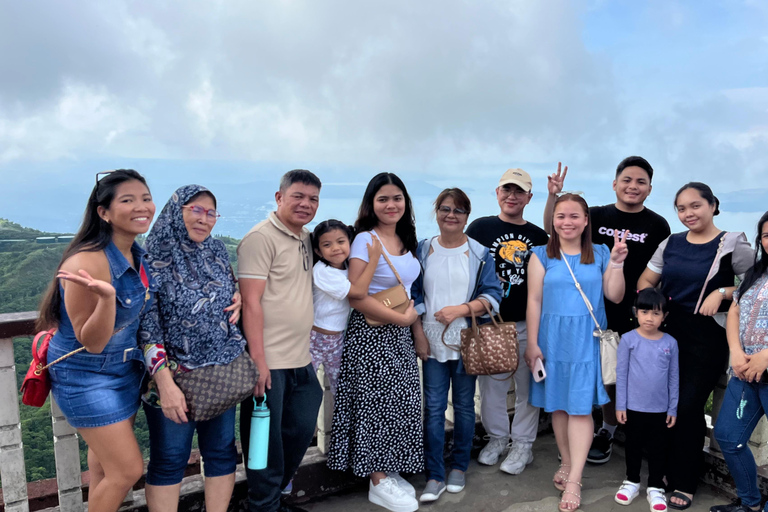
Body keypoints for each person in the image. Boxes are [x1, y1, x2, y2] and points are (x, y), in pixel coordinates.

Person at [37, 169, 156, 512]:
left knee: (106, 466)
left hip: (125, 372)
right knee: (127, 470)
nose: (142, 206)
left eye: (145, 198)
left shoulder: (136, 252)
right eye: (128, 200)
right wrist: (106, 300)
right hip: (86, 375)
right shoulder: (86, 262)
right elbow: (92, 342)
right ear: (103, 212)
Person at [544, 157, 671, 464]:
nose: (633, 186)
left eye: (641, 182)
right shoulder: (597, 215)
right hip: (593, 311)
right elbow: (556, 228)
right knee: (595, 373)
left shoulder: (658, 225)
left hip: (635, 313)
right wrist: (553, 196)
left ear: (650, 189)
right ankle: (595, 432)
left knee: (627, 376)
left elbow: (662, 272)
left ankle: (623, 432)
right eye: (627, 180)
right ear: (615, 184)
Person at [638, 182, 754, 510]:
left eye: (695, 206)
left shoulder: (733, 243)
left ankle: (686, 480)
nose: (688, 213)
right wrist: (653, 306)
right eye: (681, 208)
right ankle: (663, 470)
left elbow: (760, 284)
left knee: (687, 408)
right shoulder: (670, 243)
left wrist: (723, 293)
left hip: (707, 338)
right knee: (663, 406)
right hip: (666, 334)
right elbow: (645, 281)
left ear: (713, 205)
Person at [137, 185, 245, 512]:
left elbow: (224, 286)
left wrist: (236, 293)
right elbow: (147, 325)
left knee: (222, 452)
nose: (205, 219)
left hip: (219, 373)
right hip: (173, 380)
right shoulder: (152, 256)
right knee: (170, 458)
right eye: (196, 210)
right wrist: (165, 384)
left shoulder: (214, 250)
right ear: (176, 211)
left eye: (211, 213)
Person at [525, 193, 628, 512]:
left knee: (581, 409)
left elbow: (614, 294)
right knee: (557, 405)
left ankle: (575, 479)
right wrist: (532, 343)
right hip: (552, 338)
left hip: (586, 337)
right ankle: (567, 461)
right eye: (560, 216)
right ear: (553, 221)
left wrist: (617, 263)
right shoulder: (540, 254)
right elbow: (534, 301)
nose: (566, 222)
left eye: (573, 216)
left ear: (586, 221)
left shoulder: (599, 252)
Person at [327, 173, 422, 512]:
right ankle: (377, 480)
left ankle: (389, 470)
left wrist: (412, 329)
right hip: (371, 335)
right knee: (374, 403)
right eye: (383, 199)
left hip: (399, 334)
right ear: (371, 203)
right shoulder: (364, 239)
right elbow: (355, 295)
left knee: (398, 401)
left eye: (397, 198)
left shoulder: (406, 240)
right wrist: (404, 321)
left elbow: (410, 292)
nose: (391, 204)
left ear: (405, 202)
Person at [237, 170, 325, 512]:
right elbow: (251, 301)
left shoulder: (305, 238)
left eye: (313, 199)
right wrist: (258, 362)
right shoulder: (261, 238)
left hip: (300, 357)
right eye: (298, 196)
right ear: (279, 197)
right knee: (263, 442)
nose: (305, 204)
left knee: (301, 427)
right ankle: (262, 505)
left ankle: (272, 499)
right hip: (269, 360)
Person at [411, 188, 503, 503]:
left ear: (467, 216)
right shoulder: (423, 250)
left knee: (464, 406)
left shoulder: (479, 253)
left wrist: (460, 310)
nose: (451, 215)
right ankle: (434, 475)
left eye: (459, 211)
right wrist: (419, 333)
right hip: (431, 340)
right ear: (436, 212)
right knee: (434, 409)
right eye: (445, 209)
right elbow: (413, 296)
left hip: (466, 341)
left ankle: (459, 467)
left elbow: (493, 295)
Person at [465, 168, 549, 475]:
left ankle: (523, 445)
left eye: (519, 191)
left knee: (529, 390)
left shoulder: (539, 237)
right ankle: (497, 438)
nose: (511, 196)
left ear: (529, 197)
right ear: (497, 193)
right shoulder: (480, 227)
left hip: (528, 323)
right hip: (491, 325)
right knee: (492, 389)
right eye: (506, 190)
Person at [708, 211, 768, 512]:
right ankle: (750, 503)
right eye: (767, 235)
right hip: (744, 373)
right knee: (729, 437)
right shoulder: (757, 273)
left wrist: (766, 356)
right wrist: (736, 350)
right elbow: (735, 310)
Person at [613, 288, 679, 512]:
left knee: (658, 448)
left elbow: (673, 377)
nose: (649, 318)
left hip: (660, 409)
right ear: (636, 312)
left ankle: (655, 486)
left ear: (665, 316)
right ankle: (631, 481)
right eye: (644, 312)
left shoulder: (670, 343)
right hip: (633, 407)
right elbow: (621, 375)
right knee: (632, 446)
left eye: (656, 313)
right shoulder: (628, 340)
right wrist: (620, 405)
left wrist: (672, 408)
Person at [310, 219, 382, 394]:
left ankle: (340, 422)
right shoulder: (322, 271)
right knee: (307, 389)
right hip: (313, 339)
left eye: (341, 242)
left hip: (338, 339)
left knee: (341, 390)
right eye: (327, 245)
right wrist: (374, 259)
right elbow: (357, 292)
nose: (335, 248)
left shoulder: (349, 266)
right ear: (318, 251)